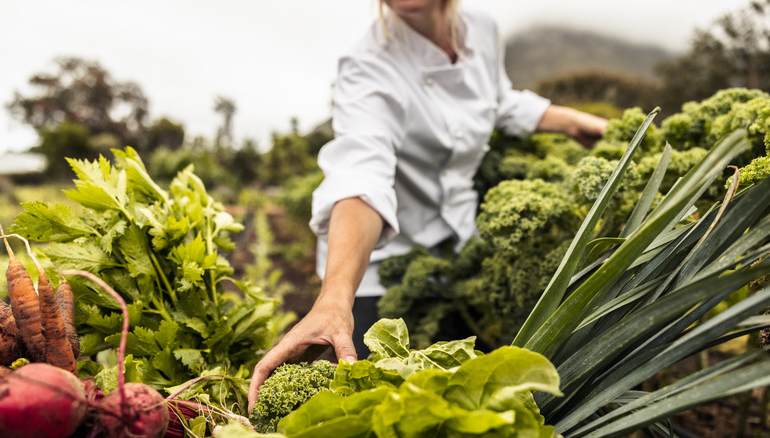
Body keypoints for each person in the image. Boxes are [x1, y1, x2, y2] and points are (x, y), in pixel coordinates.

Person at [248, 0, 607, 409]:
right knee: (388, 410)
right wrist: (334, 299)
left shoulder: (482, 27)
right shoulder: (368, 64)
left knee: (471, 405)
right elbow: (361, 171)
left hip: (459, 250)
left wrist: (573, 121)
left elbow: (496, 99)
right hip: (378, 268)